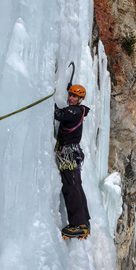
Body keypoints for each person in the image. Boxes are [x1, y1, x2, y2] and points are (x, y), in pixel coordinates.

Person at [54, 84, 91, 238]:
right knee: (76, 186)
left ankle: (78, 225)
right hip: (72, 152)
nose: (70, 98)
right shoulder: (78, 110)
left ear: (80, 99)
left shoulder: (75, 111)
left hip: (68, 153)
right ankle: (84, 222)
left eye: (74, 96)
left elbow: (59, 114)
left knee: (70, 187)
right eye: (70, 94)